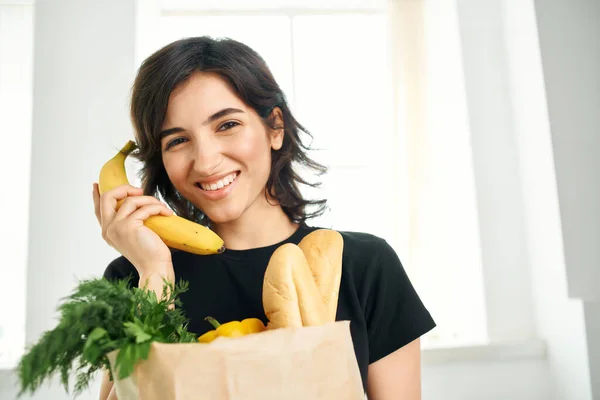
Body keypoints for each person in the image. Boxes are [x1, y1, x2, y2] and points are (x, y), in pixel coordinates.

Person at [93, 36, 436, 400]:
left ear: (275, 127)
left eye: (226, 125)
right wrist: (154, 273)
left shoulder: (363, 266)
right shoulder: (132, 276)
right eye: (177, 141)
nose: (206, 161)